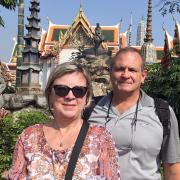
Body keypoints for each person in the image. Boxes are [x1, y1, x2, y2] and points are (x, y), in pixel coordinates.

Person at [8, 62, 120, 180]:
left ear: (86, 97)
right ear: (49, 94)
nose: (70, 96)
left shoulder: (101, 138)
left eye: (78, 90)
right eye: (61, 89)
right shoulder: (29, 137)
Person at [89, 47, 180, 180]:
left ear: (143, 76)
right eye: (120, 69)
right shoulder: (90, 110)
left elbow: (172, 168)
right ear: (110, 73)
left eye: (132, 70)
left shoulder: (161, 112)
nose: (125, 75)